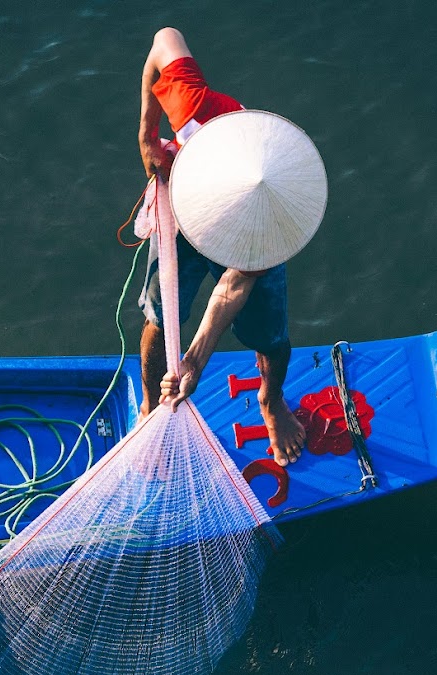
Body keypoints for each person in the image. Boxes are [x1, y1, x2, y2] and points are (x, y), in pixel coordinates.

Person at [137, 27, 306, 467]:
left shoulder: (273, 215)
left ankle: (271, 400)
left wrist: (194, 360)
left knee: (271, 336)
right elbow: (163, 40)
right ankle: (149, 403)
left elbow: (233, 286)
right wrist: (148, 136)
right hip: (181, 202)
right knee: (159, 314)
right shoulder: (197, 109)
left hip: (250, 238)